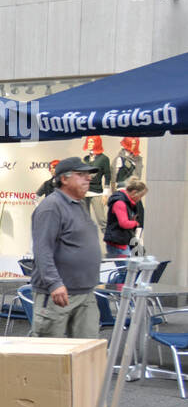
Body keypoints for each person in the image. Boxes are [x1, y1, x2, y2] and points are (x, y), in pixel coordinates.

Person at [30, 157, 102, 339]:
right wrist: (54, 283)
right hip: (58, 294)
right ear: (64, 179)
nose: (88, 179)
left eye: (88, 175)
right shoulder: (51, 207)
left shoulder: (79, 205)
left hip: (85, 292)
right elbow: (42, 249)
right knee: (49, 354)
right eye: (81, 175)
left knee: (86, 352)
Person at [104, 180, 146, 258]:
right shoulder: (120, 203)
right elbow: (123, 223)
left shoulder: (125, 202)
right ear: (134, 193)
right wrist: (135, 223)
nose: (139, 199)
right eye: (140, 196)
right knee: (125, 269)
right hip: (117, 243)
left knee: (127, 268)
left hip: (121, 241)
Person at [81, 136, 111, 234]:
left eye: (91, 142)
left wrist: (105, 194)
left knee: (102, 220)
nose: (89, 144)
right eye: (88, 142)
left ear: (97, 143)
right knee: (84, 221)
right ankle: (87, 245)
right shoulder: (85, 159)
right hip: (83, 193)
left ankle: (111, 244)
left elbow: (107, 176)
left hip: (96, 192)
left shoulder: (104, 159)